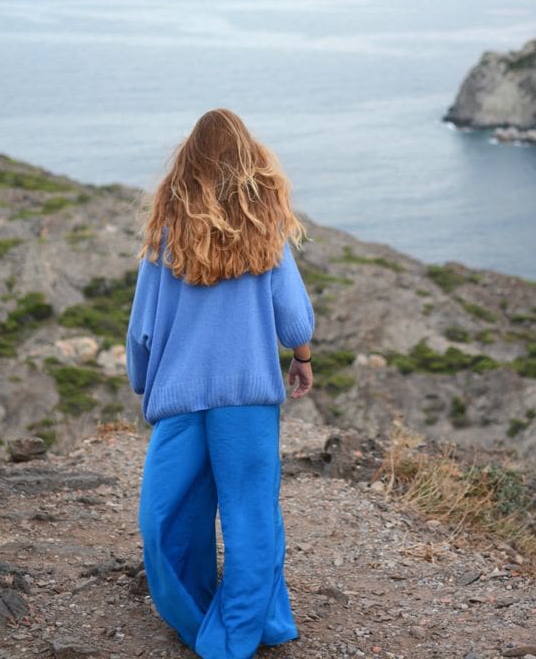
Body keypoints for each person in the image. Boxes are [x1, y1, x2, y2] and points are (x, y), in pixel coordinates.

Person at [125, 108, 315, 659]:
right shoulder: (267, 233)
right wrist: (302, 358)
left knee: (165, 516)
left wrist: (143, 384)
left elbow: (142, 328)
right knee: (252, 513)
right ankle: (257, 621)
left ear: (186, 166)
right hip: (246, 401)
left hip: (185, 400)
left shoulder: (166, 234)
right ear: (251, 164)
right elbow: (296, 320)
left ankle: (223, 632)